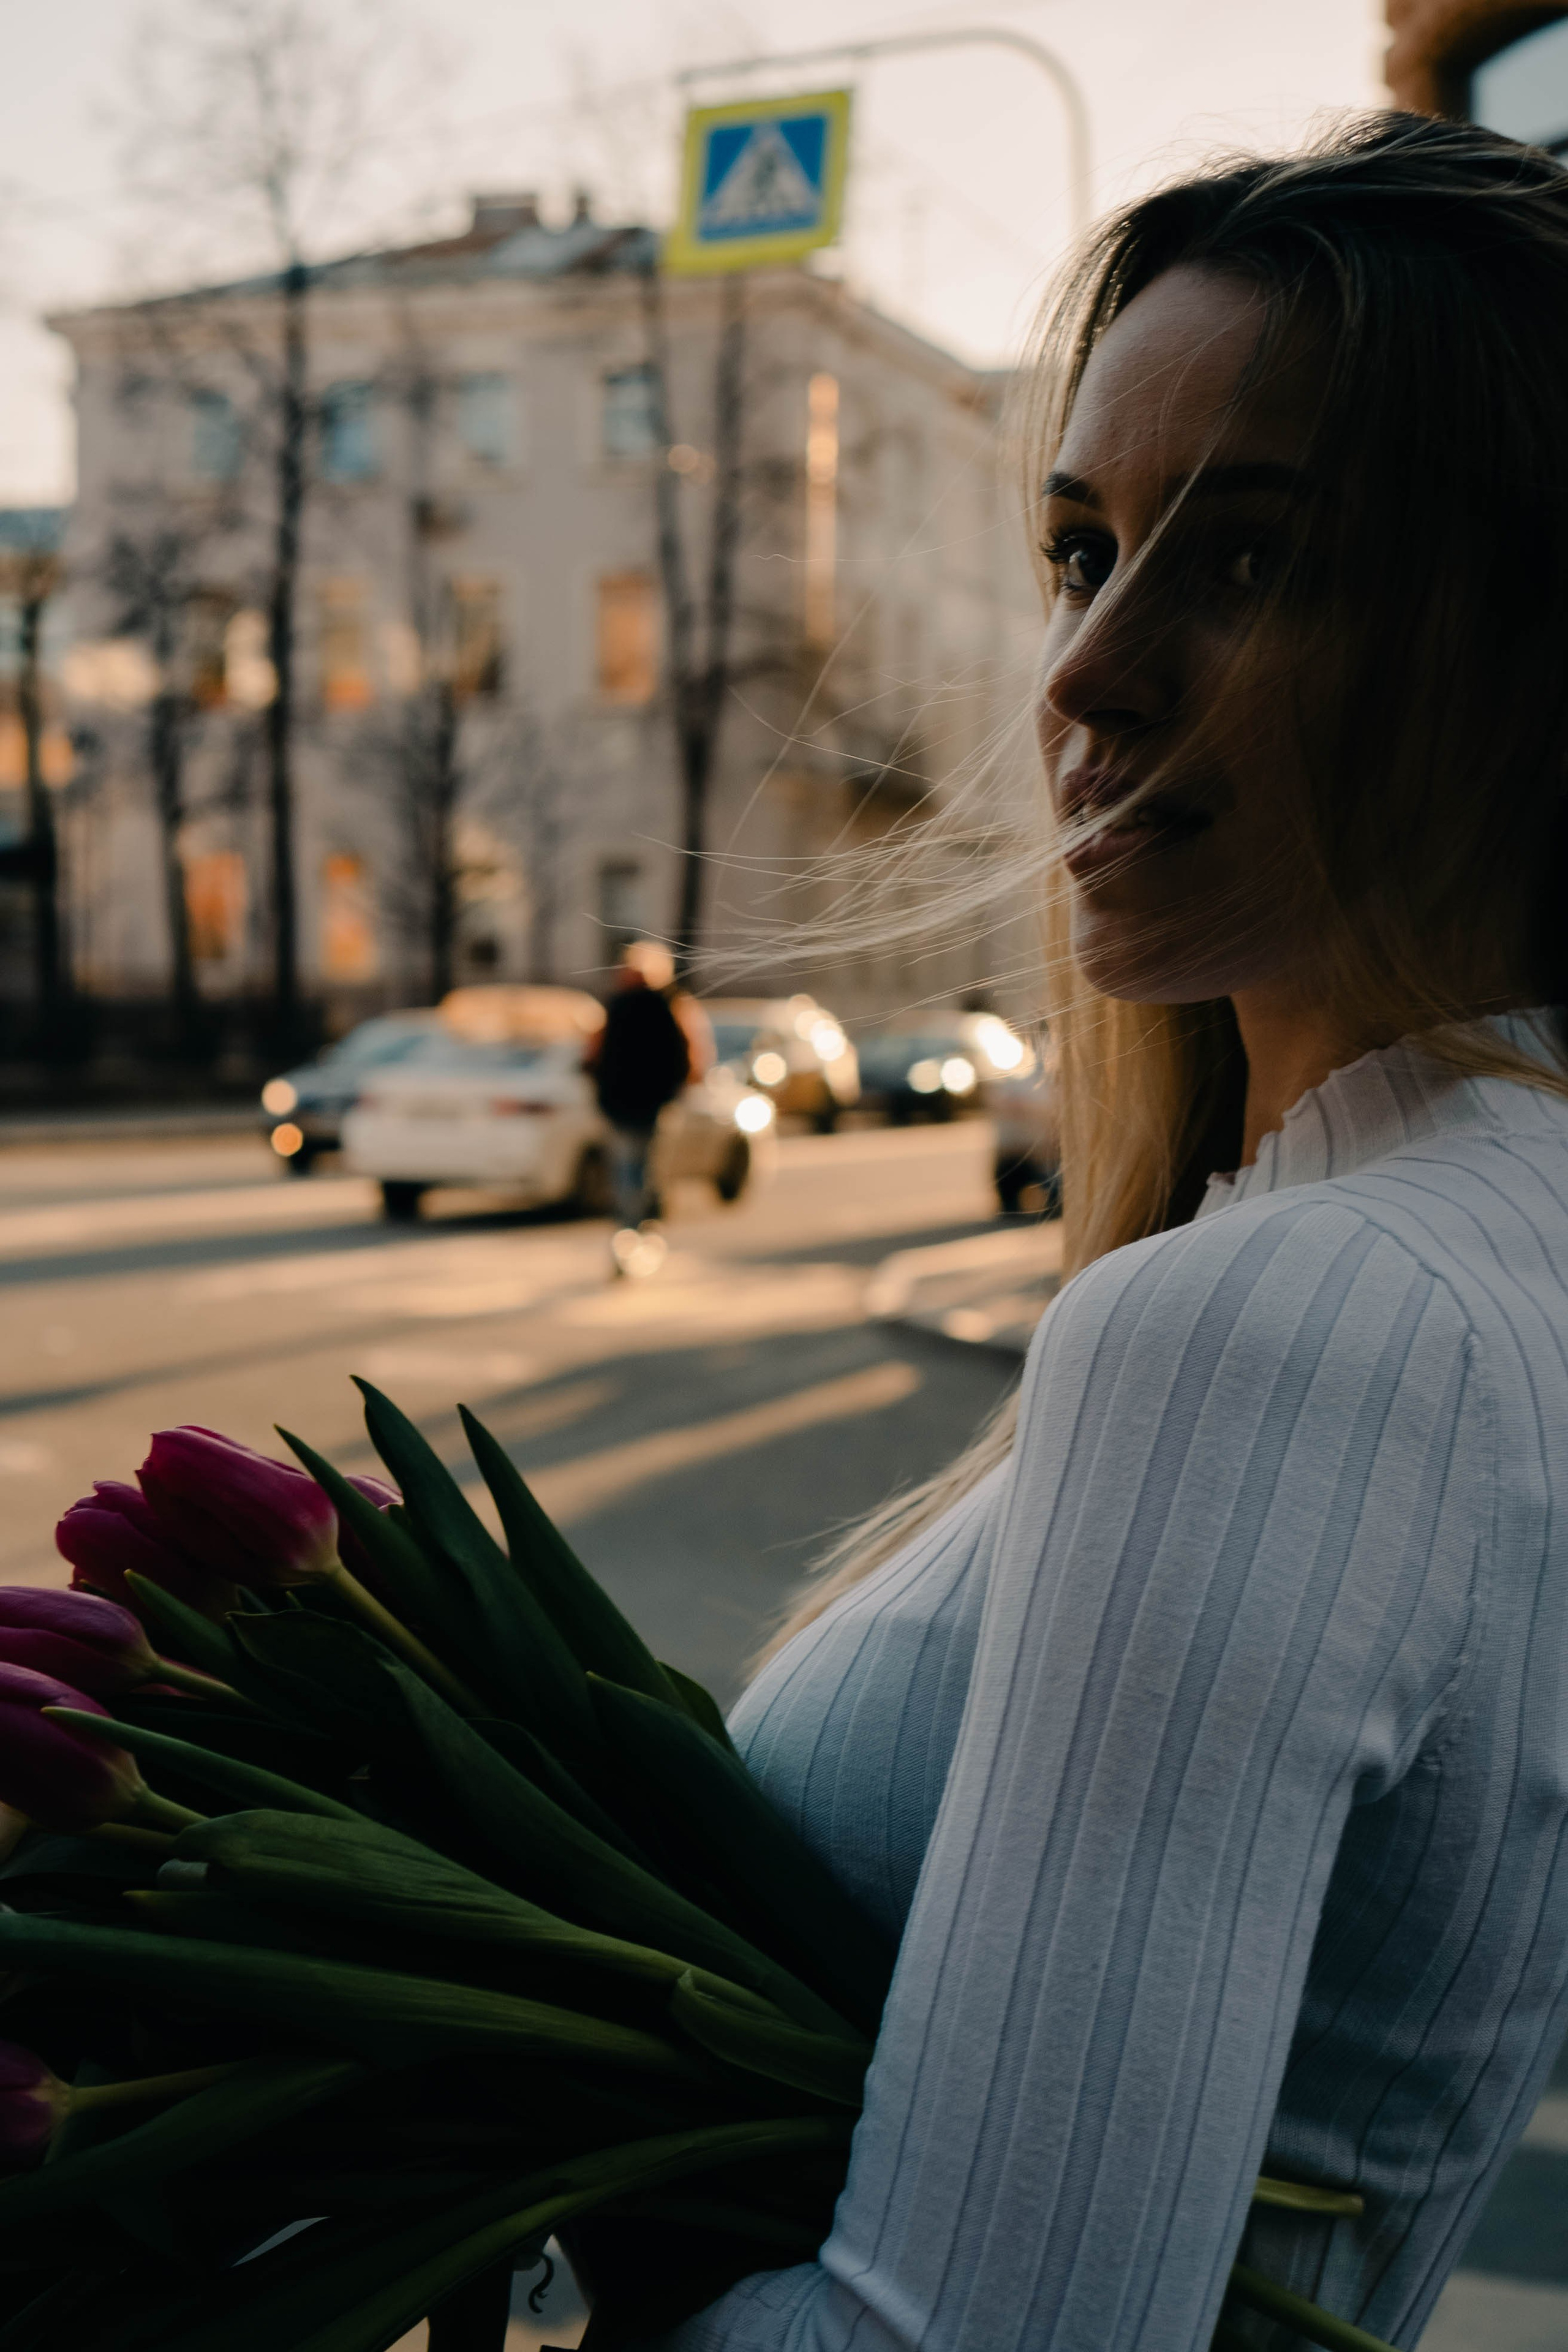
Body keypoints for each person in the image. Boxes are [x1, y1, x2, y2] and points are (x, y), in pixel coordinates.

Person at [628, 116, 1568, 2351]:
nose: (1083, 676)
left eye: (1249, 560)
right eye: (1081, 549)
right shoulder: (1478, 1237)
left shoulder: (1287, 1317)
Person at [586, 940, 707, 1274]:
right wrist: (676, 1088)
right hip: (651, 1103)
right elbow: (690, 1056)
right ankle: (639, 1229)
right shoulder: (671, 1006)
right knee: (643, 1167)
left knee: (627, 1169)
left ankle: (629, 1231)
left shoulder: (616, 1006)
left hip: (619, 1103)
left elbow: (593, 1055)